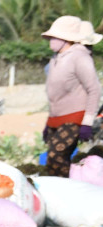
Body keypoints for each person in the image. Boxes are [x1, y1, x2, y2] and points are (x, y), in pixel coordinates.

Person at [42, 15, 102, 177]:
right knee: (53, 160)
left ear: (66, 38)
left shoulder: (80, 57)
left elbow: (94, 90)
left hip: (74, 117)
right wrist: (49, 122)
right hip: (58, 117)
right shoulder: (55, 59)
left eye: (54, 37)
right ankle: (62, 193)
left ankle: (64, 192)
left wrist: (87, 122)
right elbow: (55, 95)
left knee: (57, 157)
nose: (51, 41)